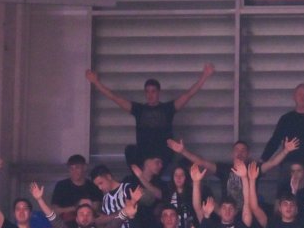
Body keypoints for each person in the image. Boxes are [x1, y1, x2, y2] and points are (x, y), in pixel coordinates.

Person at [85, 65, 215, 165]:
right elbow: (115, 98)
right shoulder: (139, 109)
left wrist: (204, 76)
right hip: (144, 158)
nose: (150, 94)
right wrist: (96, 82)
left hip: (164, 157)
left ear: (159, 92)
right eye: (147, 91)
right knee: (130, 150)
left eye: (153, 91)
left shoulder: (167, 108)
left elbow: (188, 95)